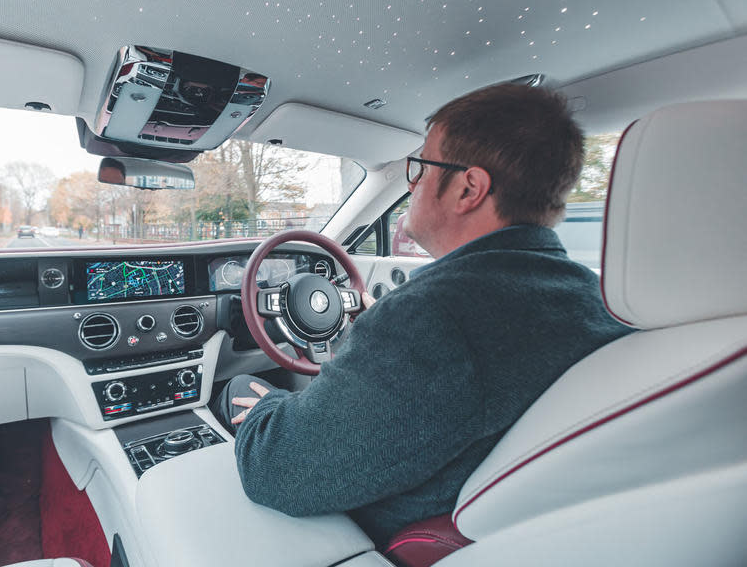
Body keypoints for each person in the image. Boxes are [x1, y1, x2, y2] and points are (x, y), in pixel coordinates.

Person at [211, 83, 632, 547]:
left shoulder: (432, 319)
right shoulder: (592, 296)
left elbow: (276, 471)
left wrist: (269, 410)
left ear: (468, 188)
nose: (412, 182)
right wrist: (375, 334)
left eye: (420, 166)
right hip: (511, 531)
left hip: (391, 535)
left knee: (240, 391)